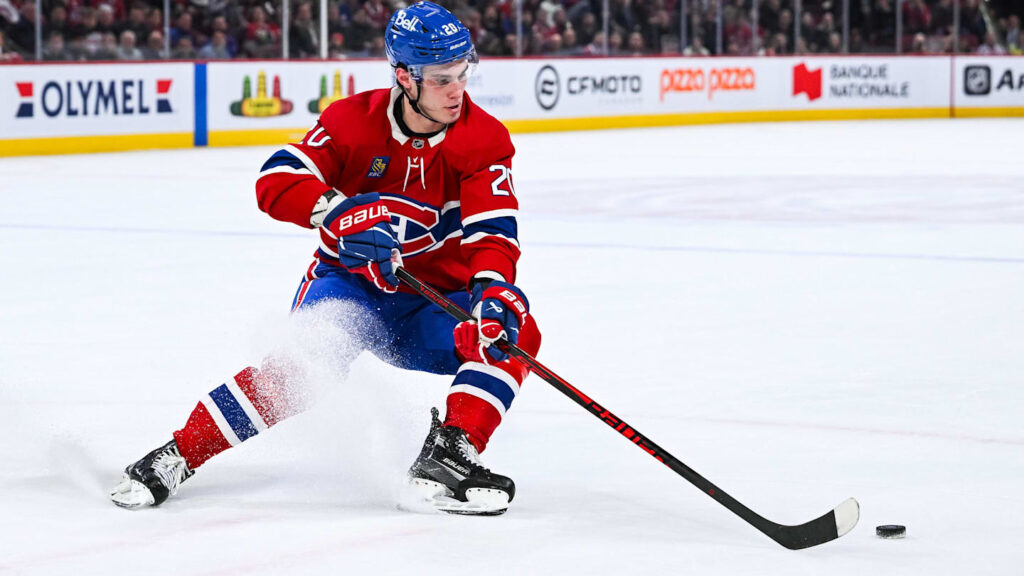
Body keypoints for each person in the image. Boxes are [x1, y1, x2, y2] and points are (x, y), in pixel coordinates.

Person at [110, 0, 540, 517]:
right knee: (300, 373)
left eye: (462, 73)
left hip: (434, 303)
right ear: (404, 76)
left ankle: (448, 457)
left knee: (512, 335)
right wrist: (335, 212)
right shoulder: (352, 122)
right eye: (442, 78)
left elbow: (492, 232)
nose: (457, 90)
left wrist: (492, 291)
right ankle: (179, 454)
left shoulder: (483, 138)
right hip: (350, 287)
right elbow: (275, 179)